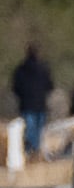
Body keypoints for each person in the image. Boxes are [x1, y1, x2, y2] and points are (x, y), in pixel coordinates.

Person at [10, 42, 48, 172]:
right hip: (40, 105)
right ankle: (35, 154)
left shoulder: (20, 70)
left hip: (26, 105)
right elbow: (50, 86)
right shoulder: (43, 69)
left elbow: (15, 88)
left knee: (29, 131)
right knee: (38, 131)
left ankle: (28, 154)